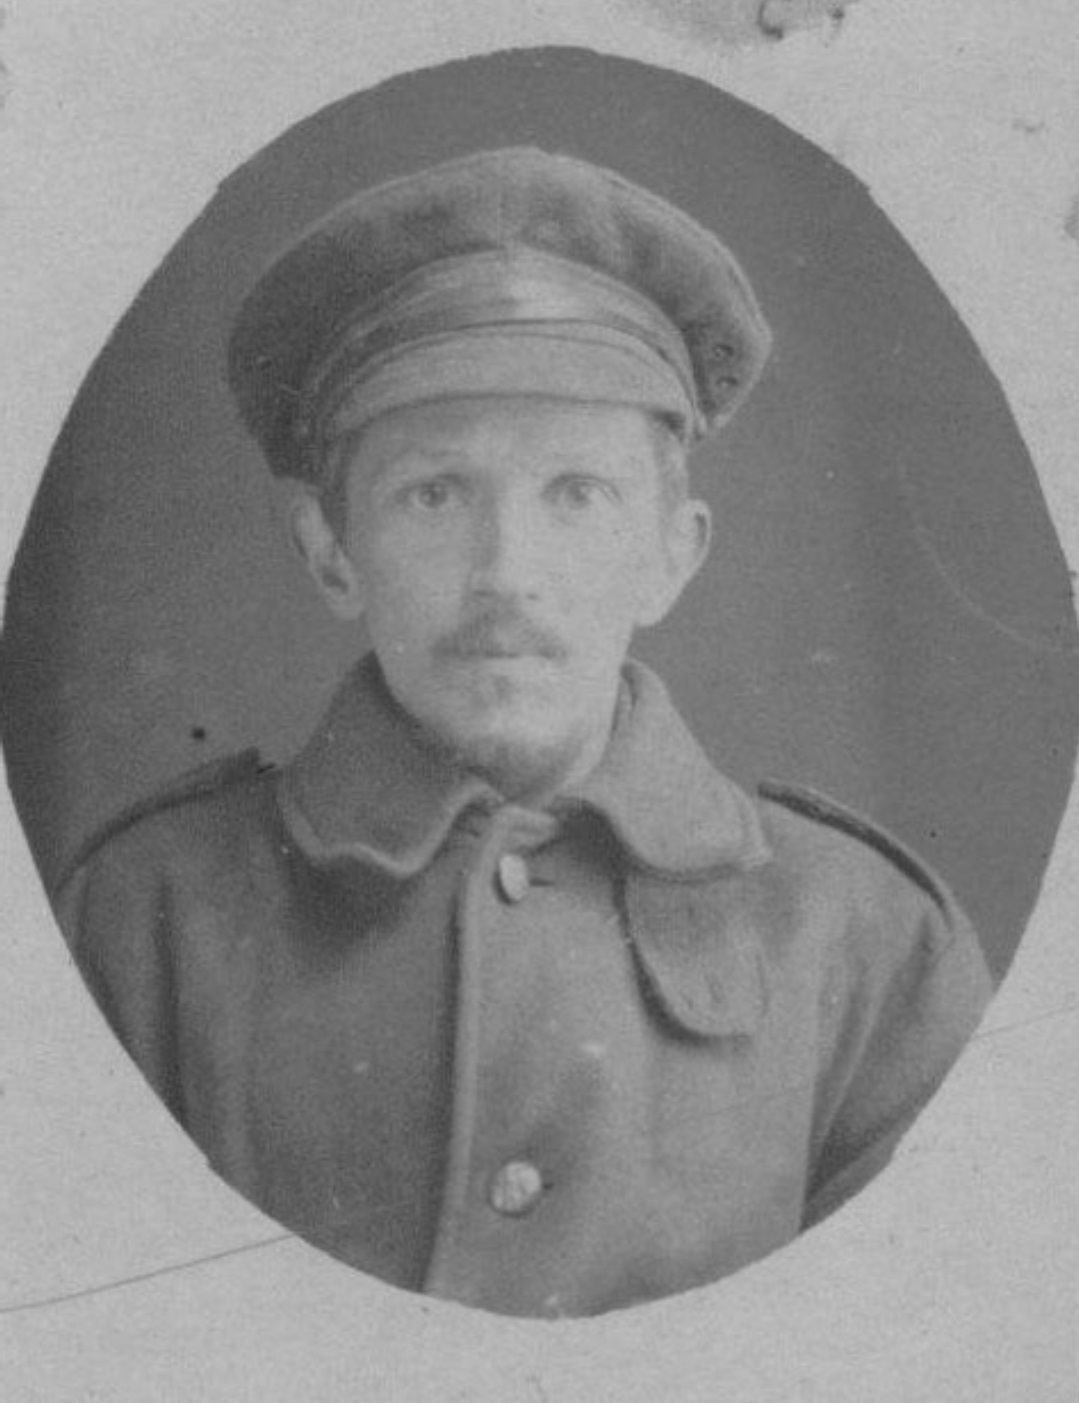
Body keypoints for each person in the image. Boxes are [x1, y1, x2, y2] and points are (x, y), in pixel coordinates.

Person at [54, 147, 993, 1318]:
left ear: (670, 554)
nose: (506, 572)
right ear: (331, 553)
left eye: (576, 495)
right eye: (434, 494)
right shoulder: (144, 922)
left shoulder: (865, 944)